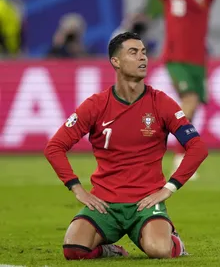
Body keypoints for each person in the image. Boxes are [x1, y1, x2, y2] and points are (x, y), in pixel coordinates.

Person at [44, 32, 209, 260]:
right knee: (74, 250)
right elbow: (54, 147)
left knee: (159, 250)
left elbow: (198, 147)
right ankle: (111, 251)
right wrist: (77, 188)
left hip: (146, 203)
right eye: (133, 52)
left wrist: (168, 189)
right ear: (116, 61)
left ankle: (175, 242)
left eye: (144, 52)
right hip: (104, 203)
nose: (143, 58)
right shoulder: (96, 105)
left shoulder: (161, 103)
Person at [144, 0, 220, 178]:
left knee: (191, 109)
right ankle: (179, 157)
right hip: (175, 59)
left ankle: (166, 147)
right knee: (190, 100)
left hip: (198, 62)